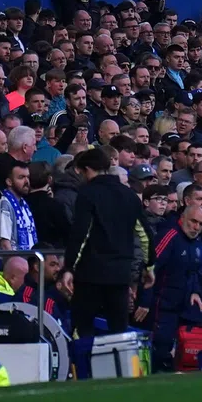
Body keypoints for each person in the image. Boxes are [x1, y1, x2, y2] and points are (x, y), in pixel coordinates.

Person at [64, 145, 143, 341]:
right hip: (120, 275)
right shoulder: (129, 195)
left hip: (90, 274)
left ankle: (84, 370)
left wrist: (69, 268)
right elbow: (144, 234)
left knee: (83, 329)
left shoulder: (87, 194)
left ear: (88, 169)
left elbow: (81, 234)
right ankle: (120, 370)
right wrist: (149, 266)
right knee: (119, 331)